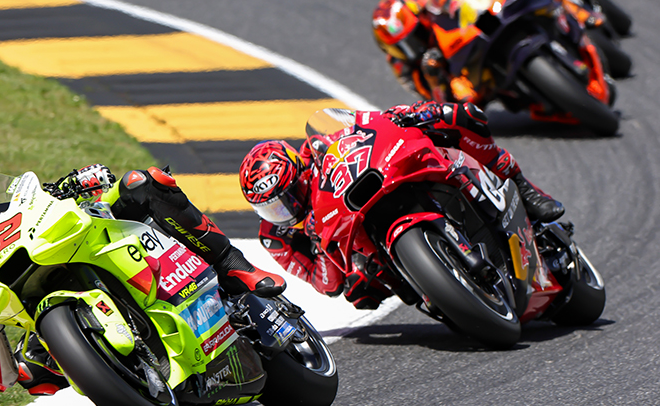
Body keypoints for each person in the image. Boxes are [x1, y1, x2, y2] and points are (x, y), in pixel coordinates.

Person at [0, 165, 287, 395]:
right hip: (43, 318)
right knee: (33, 373)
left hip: (96, 236)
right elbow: (0, 376)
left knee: (142, 182)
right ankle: (122, 371)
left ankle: (232, 264)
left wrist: (75, 182)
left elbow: (37, 200)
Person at [239, 103, 566, 310]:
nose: (287, 210)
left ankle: (523, 187)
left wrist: (402, 116)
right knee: (358, 290)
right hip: (356, 249)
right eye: (273, 209)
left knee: (459, 116)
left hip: (374, 189)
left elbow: (362, 127)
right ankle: (437, 289)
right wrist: (319, 245)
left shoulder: (317, 151)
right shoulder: (275, 237)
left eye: (290, 196)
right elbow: (324, 283)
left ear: (300, 171)